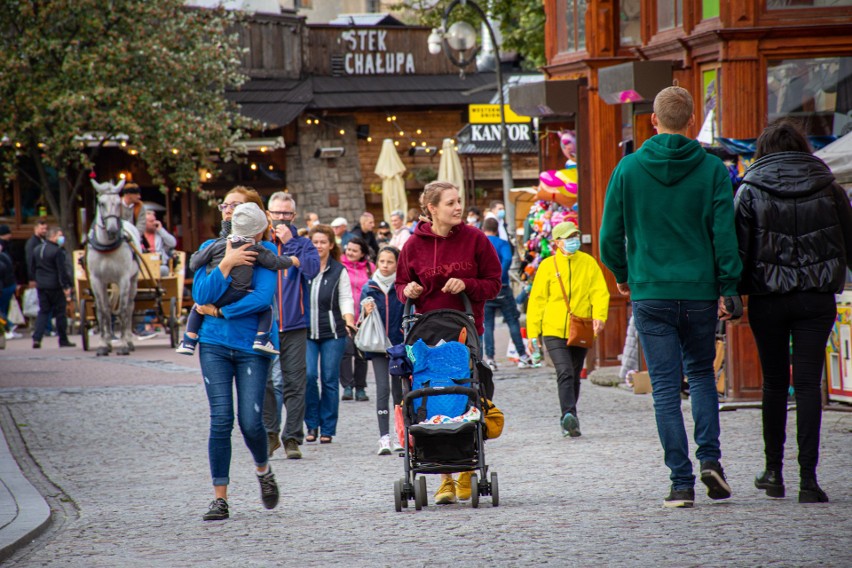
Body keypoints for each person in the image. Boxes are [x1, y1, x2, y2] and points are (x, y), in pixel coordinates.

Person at [599, 86, 742, 509]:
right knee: (700, 375)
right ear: (692, 122)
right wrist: (728, 285)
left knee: (664, 387)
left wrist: (624, 275)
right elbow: (724, 234)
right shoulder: (713, 169)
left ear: (654, 121)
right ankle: (710, 459)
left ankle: (681, 483)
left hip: (651, 291)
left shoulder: (628, 169)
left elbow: (610, 236)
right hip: (699, 291)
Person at [734, 120, 852, 504]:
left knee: (772, 383)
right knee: (807, 384)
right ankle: (809, 479)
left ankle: (773, 471)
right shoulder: (830, 188)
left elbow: (739, 248)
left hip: (768, 298)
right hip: (816, 299)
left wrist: (731, 294)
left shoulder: (750, 190)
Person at [396, 180, 502, 505]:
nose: (458, 207)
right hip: (426, 333)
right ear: (432, 209)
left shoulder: (475, 239)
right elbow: (401, 283)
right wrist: (408, 291)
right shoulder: (413, 245)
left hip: (465, 330)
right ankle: (443, 479)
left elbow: (493, 283)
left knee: (464, 392)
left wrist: (467, 284)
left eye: (459, 201)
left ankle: (467, 469)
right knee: (433, 397)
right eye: (450, 203)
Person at [191, 187, 280, 522]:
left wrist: (223, 312)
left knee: (250, 421)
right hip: (213, 344)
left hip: (251, 348)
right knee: (221, 419)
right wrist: (226, 263)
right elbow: (201, 295)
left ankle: (263, 470)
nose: (229, 210)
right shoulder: (209, 249)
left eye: (237, 206)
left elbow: (262, 298)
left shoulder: (265, 250)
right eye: (225, 204)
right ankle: (220, 498)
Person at [177, 202, 298, 356]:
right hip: (237, 291)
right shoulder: (255, 247)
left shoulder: (216, 244)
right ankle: (261, 338)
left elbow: (194, 263)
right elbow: (274, 262)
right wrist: (292, 260)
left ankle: (188, 340)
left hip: (216, 295)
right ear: (258, 230)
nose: (228, 209)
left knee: (197, 308)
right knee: (267, 308)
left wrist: (208, 258)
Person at [526, 221, 609, 437]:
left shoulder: (589, 263)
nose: (574, 241)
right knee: (564, 371)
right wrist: (533, 334)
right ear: (557, 242)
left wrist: (599, 315)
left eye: (575, 236)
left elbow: (599, 292)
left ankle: (570, 417)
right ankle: (568, 417)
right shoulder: (547, 266)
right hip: (553, 329)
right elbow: (537, 301)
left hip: (581, 327)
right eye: (568, 237)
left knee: (573, 374)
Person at [263, 191, 320, 461]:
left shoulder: (304, 244)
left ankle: (292, 438)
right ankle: (270, 434)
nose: (282, 218)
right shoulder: (261, 243)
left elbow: (312, 270)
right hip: (265, 325)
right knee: (266, 384)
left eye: (287, 213)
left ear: (294, 216)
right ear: (268, 215)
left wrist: (292, 244)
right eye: (277, 213)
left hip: (296, 325)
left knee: (296, 383)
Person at [305, 224, 356, 444]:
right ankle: (311, 425)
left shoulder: (338, 270)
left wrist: (349, 319)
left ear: (331, 244)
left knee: (329, 379)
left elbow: (346, 298)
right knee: (308, 376)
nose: (318, 246)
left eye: (323, 242)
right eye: (315, 242)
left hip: (333, 332)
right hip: (305, 332)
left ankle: (327, 428)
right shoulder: (303, 267)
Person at [360, 246, 405, 455]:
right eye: (382, 261)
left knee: (399, 391)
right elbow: (362, 317)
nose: (385, 266)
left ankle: (399, 435)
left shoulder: (401, 287)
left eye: (390, 262)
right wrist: (365, 311)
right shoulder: (369, 287)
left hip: (398, 346)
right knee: (382, 389)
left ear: (397, 264)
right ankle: (383, 437)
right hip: (378, 346)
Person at [479, 218, 531, 370]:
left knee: (487, 325)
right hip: (503, 286)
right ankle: (522, 356)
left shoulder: (480, 243)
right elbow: (508, 258)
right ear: (497, 229)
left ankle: (490, 359)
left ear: (483, 228)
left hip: (485, 289)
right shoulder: (502, 244)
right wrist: (498, 275)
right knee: (512, 321)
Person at [339, 236, 375, 402]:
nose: (350, 252)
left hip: (364, 318)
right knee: (345, 352)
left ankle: (360, 388)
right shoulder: (339, 266)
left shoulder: (370, 268)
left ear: (362, 254)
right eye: (349, 249)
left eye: (355, 250)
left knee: (361, 353)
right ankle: (347, 386)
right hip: (343, 316)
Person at [29, 227, 75, 349]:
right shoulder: (57, 251)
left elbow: (32, 268)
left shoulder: (37, 249)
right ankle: (63, 339)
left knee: (43, 311)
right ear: (53, 236)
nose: (61, 238)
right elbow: (62, 270)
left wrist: (38, 280)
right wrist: (66, 286)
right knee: (60, 313)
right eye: (59, 235)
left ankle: (37, 338)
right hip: (55, 286)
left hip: (42, 285)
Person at [141, 210, 177, 277]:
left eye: (154, 220)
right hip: (143, 265)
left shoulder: (160, 234)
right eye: (151, 221)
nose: (154, 223)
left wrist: (160, 229)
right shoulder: (139, 234)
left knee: (164, 269)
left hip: (159, 265)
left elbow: (173, 243)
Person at [25, 218, 48, 287]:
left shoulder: (44, 240)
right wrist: (32, 278)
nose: (45, 231)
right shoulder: (32, 243)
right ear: (36, 228)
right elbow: (30, 261)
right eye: (42, 229)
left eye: (46, 228)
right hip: (37, 276)